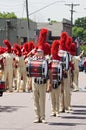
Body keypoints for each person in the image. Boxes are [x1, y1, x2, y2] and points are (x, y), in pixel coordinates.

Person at [28, 28, 49, 123]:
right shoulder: (32, 59)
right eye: (38, 52)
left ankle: (43, 117)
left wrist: (49, 84)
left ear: (43, 52)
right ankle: (37, 117)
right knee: (35, 100)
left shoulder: (46, 60)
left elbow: (49, 72)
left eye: (40, 52)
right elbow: (29, 70)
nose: (38, 53)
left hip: (43, 82)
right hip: (34, 82)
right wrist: (29, 83)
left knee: (42, 100)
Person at [49, 39, 62, 117]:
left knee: (57, 96)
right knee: (52, 97)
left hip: (58, 80)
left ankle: (57, 111)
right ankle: (53, 110)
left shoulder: (60, 60)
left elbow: (62, 72)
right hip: (51, 80)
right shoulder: (50, 60)